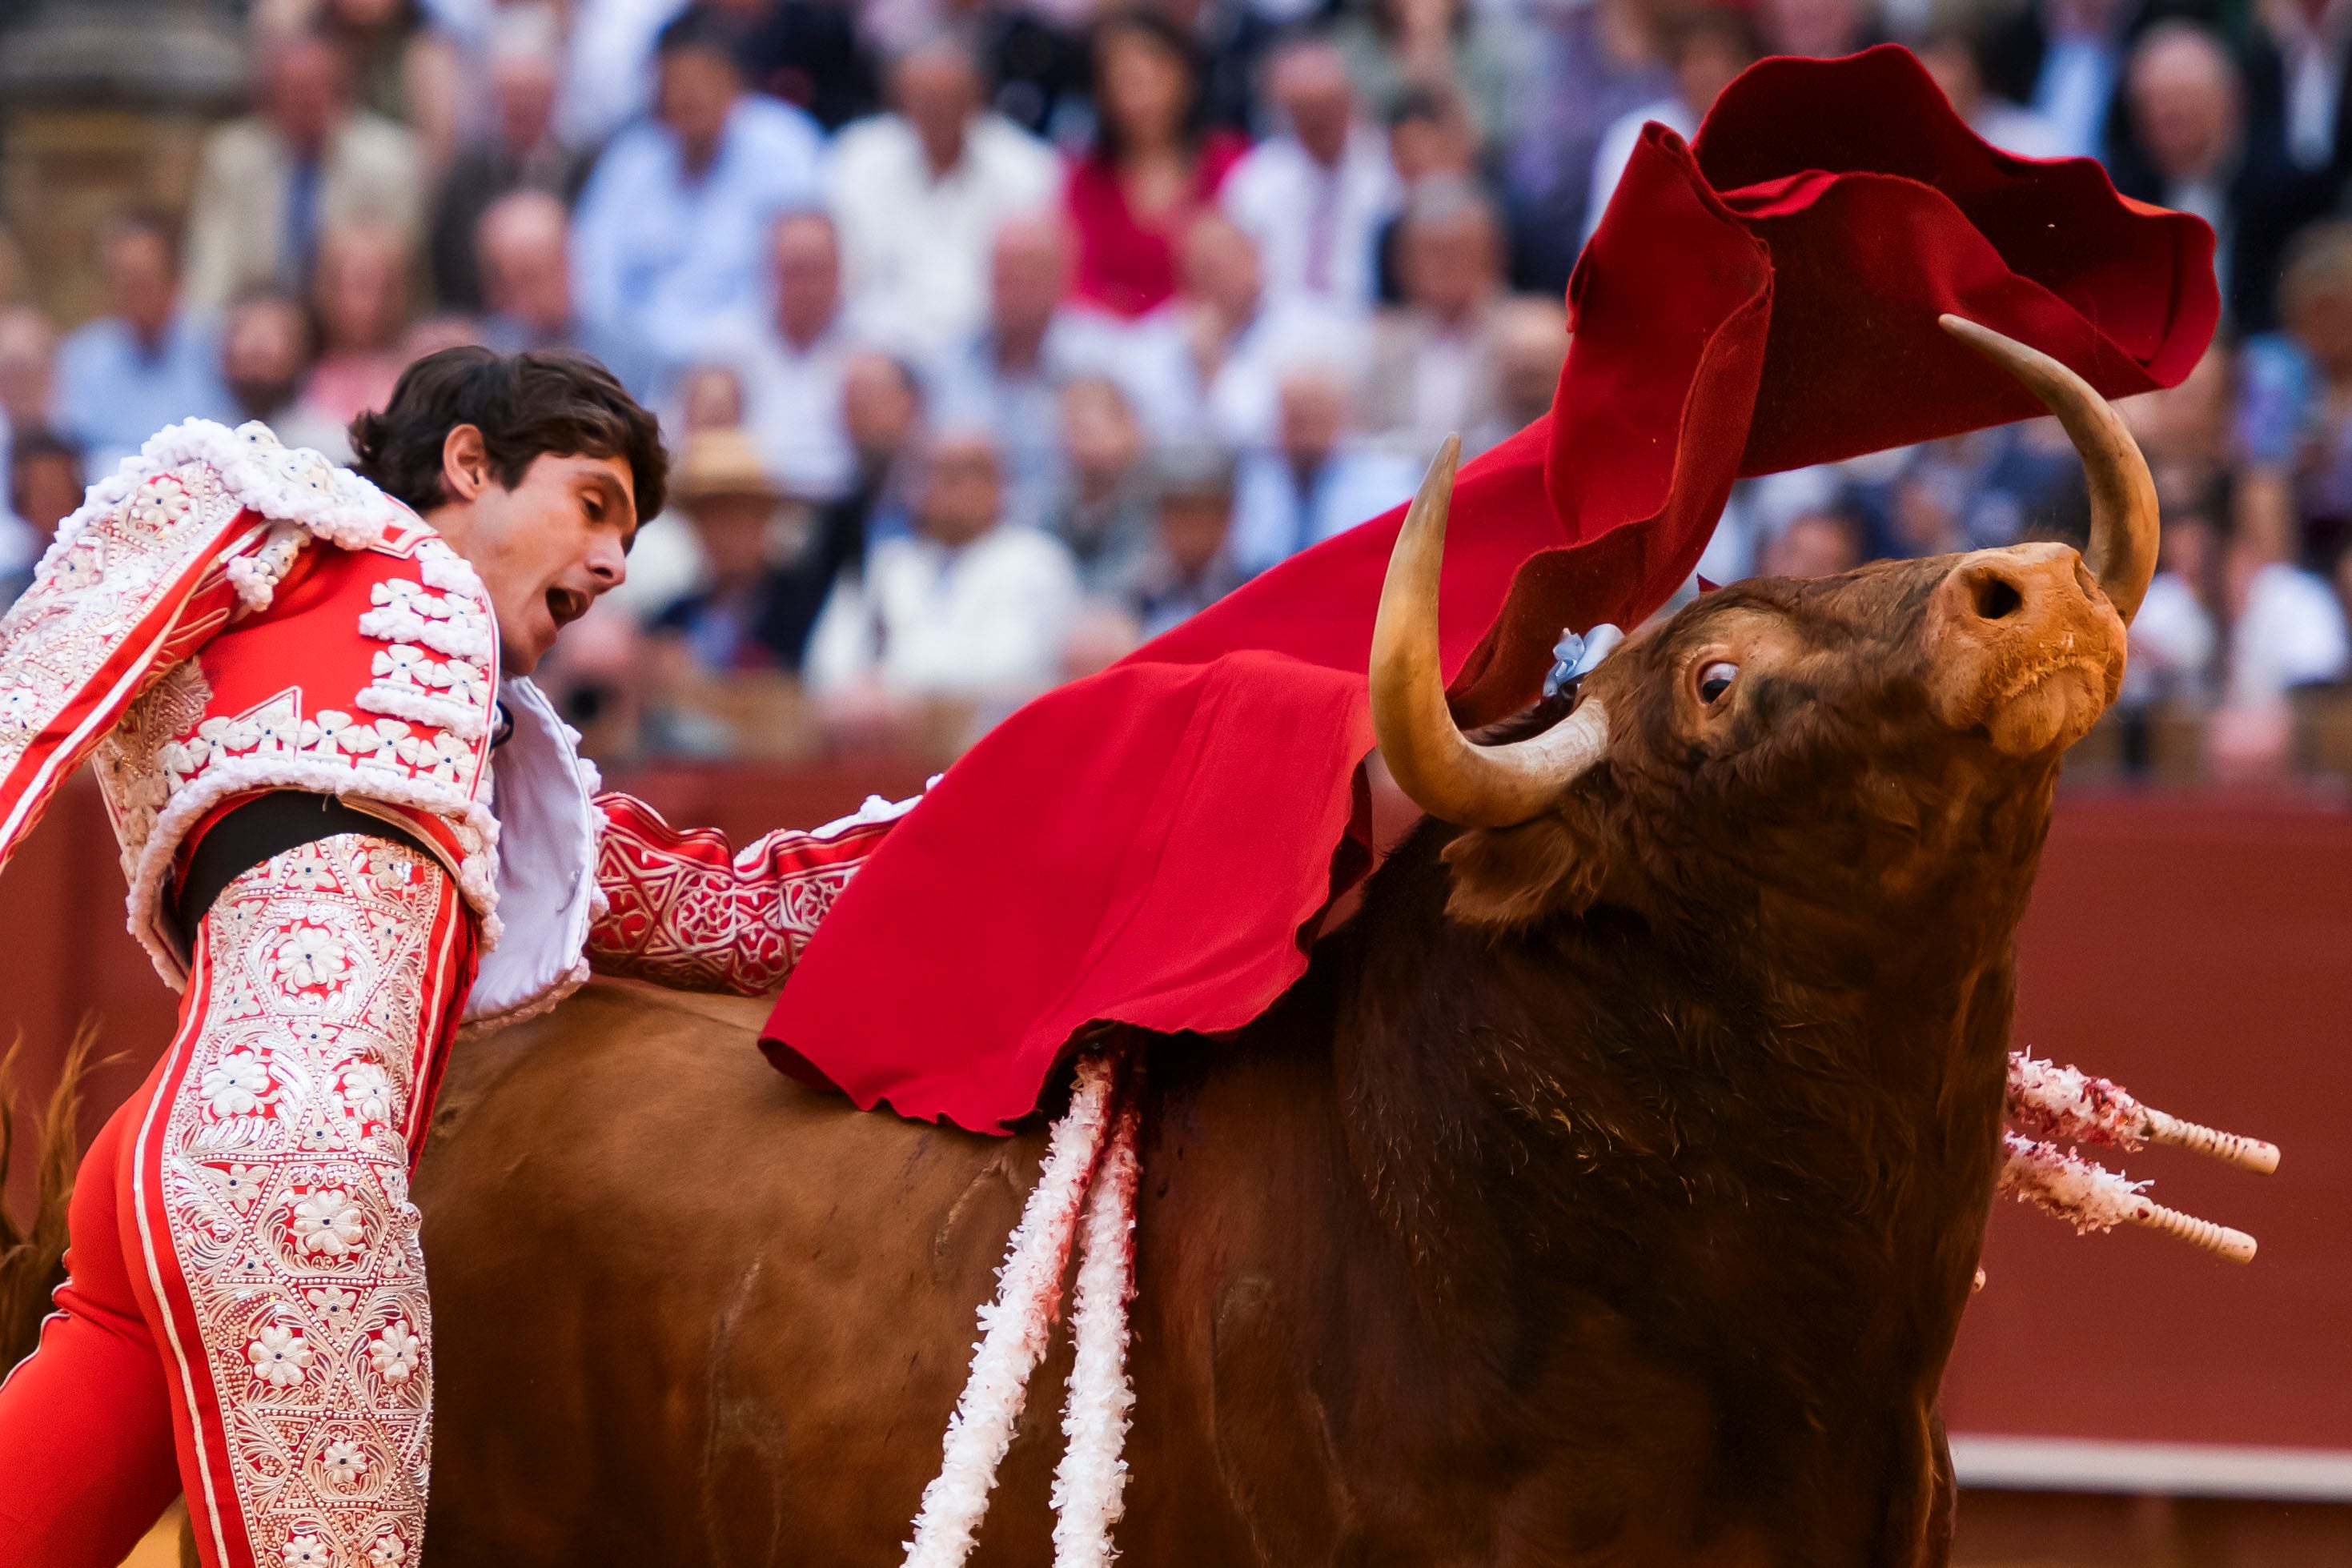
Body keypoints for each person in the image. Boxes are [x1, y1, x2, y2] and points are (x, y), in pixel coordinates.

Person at [0, 347, 911, 1568]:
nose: (616, 563)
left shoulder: (503, 770)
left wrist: (993, 815)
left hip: (176, 1150)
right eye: (592, 503)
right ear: (469, 463)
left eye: (629, 534)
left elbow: (730, 916)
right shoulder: (278, 518)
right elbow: (29, 699)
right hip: (299, 1168)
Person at [569, 4, 826, 367]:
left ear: (735, 83)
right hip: (636, 362)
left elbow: (800, 272)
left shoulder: (784, 145)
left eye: (702, 80)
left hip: (755, 359)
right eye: (675, 83)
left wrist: (719, 354)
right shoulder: (631, 159)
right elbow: (592, 272)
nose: (688, 97)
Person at [805, 424, 1082, 713]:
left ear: (997, 485)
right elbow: (827, 662)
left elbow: (1013, 663)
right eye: (926, 473)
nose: (939, 488)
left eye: (957, 476)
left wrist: (891, 684)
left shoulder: (1035, 560)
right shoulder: (885, 563)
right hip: (885, 742)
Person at [827, 33, 1062, 355]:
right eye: (923, 98)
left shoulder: (1028, 166)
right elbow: (849, 281)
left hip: (992, 352)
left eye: (951, 98)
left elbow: (1027, 287)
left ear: (979, 97)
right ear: (899, 100)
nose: (938, 110)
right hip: (881, 351)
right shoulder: (857, 159)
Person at [182, 25, 426, 312]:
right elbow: (213, 262)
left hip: (353, 317)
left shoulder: (392, 159)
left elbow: (396, 273)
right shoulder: (233, 157)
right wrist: (203, 330)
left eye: (316, 88)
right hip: (255, 316)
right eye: (294, 90)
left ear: (341, 91)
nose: (306, 101)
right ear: (272, 96)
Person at [1063, 9, 1249, 320]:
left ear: (1186, 78)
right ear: (1103, 94)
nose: (1142, 98)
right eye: (1125, 82)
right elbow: (1076, 283)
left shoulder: (1234, 165)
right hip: (1111, 343)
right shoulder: (1084, 180)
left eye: (1154, 78)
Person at [651, 424, 859, 672]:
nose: (725, 533)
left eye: (739, 515)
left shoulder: (811, 606)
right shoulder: (672, 618)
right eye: (710, 517)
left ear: (766, 519)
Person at [425, 5, 588, 313]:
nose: (521, 108)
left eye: (531, 95)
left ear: (554, 95)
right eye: (511, 96)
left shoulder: (586, 169)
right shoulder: (466, 174)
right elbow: (448, 267)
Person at [1219, 37, 1400, 315]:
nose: (1318, 119)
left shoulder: (1388, 169)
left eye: (1327, 105)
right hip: (1273, 329)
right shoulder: (1257, 179)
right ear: (1281, 113)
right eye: (1303, 108)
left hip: (1372, 322)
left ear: (1351, 101)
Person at [695, 209, 859, 503]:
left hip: (850, 505)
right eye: (795, 270)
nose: (807, 285)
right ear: (767, 271)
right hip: (749, 506)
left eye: (818, 269)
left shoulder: (878, 341)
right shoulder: (724, 345)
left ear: (841, 269)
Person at [54, 213, 235, 474]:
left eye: (143, 279)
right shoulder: (80, 357)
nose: (132, 292)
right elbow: (71, 452)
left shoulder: (219, 346)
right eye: (120, 280)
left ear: (177, 280)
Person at [1357, 178, 1513, 459]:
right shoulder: (1378, 344)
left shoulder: (1522, 342)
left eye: (1460, 249)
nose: (1447, 264)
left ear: (1491, 255)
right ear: (1403, 263)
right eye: (1433, 251)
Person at [1583, 5, 1760, 243]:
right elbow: (1601, 253)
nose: (1707, 76)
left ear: (1745, 66)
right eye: (1696, 63)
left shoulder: (1774, 140)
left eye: (1719, 62)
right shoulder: (1635, 138)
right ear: (1677, 72)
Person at [1226, 360, 1417, 576]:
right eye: (1295, 420)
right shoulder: (1257, 478)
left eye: (1315, 417)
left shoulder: (1386, 481)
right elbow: (1249, 557)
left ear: (1340, 416)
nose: (1305, 433)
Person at [476, 189, 661, 401]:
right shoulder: (486, 355)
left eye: (531, 277)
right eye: (505, 284)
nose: (519, 301)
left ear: (566, 263)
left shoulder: (628, 354)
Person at [1118, 441, 1246, 637]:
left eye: (1202, 511)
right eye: (1177, 511)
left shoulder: (1249, 591)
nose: (1189, 525)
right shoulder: (1134, 595)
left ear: (1227, 516)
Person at [1045, 375, 1156, 592]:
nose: (1083, 442)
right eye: (1073, 426)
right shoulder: (1059, 507)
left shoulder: (1158, 500)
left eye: (1090, 429)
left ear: (1131, 426)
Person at [0, 427, 81, 609]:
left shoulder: (108, 575)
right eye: (40, 491)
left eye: (59, 487)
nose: (51, 501)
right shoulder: (7, 594)